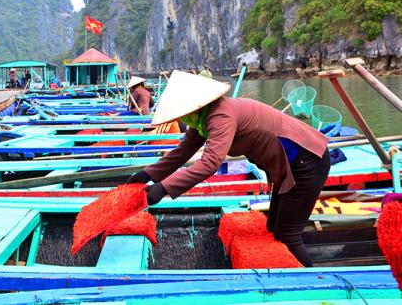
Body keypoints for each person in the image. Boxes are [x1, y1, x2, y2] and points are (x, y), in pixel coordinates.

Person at [127, 70, 330, 267]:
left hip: (307, 160)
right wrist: (147, 174)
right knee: (274, 229)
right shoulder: (202, 121)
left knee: (287, 234)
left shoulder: (221, 115)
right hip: (287, 167)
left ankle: (317, 284)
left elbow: (210, 163)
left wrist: (163, 189)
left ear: (194, 106)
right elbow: (182, 153)